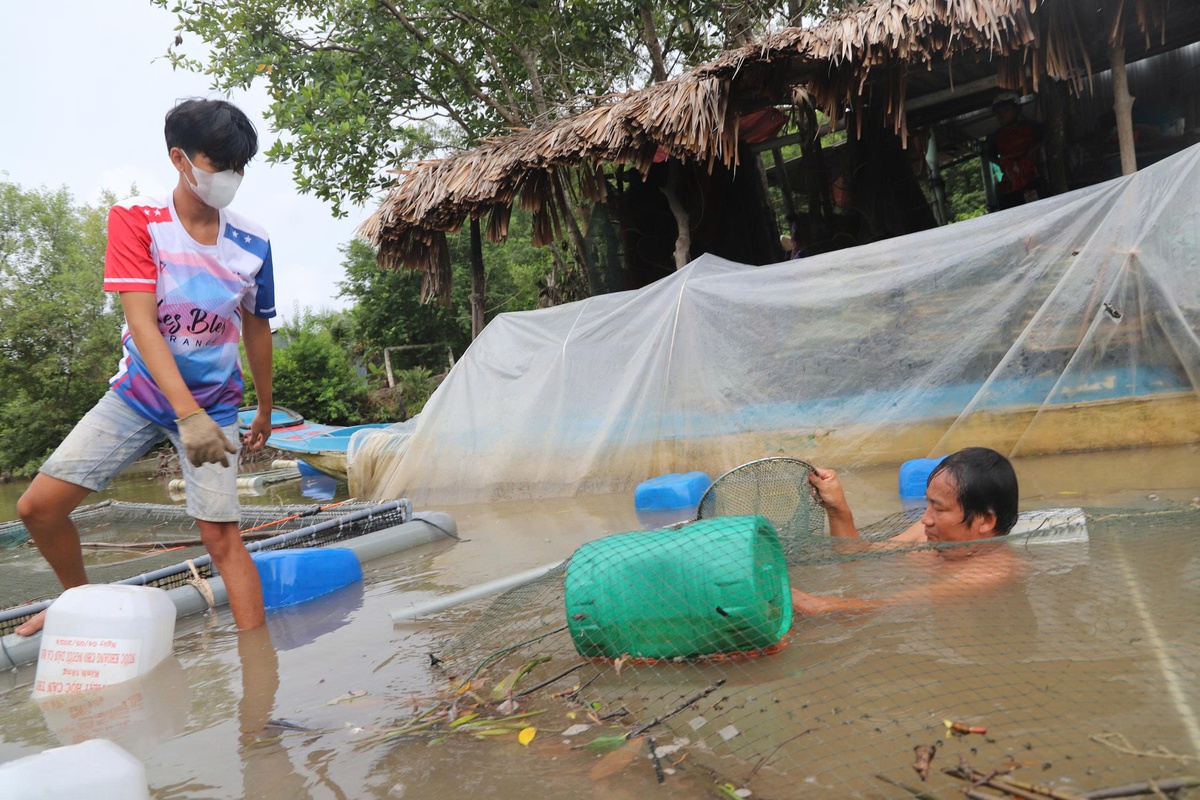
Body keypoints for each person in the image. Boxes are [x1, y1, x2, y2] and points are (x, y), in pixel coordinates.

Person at [14, 98, 276, 635]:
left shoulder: (253, 241)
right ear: (180, 159)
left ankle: (260, 694)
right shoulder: (138, 219)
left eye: (239, 167)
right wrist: (186, 414)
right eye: (218, 163)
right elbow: (143, 324)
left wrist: (265, 408)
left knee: (222, 538)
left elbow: (255, 326)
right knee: (38, 508)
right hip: (140, 395)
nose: (230, 176)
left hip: (215, 405)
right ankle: (79, 601)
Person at [791, 447, 1024, 616]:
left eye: (939, 508)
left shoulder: (989, 573)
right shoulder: (929, 533)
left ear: (985, 520)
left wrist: (815, 605)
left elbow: (886, 606)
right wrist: (838, 508)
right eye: (928, 504)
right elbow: (859, 557)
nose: (925, 518)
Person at [985, 92, 1047, 210]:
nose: (1002, 115)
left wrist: (1031, 152)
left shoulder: (1031, 127)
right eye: (998, 112)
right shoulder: (995, 137)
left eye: (1006, 110)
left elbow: (1045, 139)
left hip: (1032, 180)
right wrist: (1006, 163)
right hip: (1010, 187)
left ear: (1017, 110)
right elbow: (990, 156)